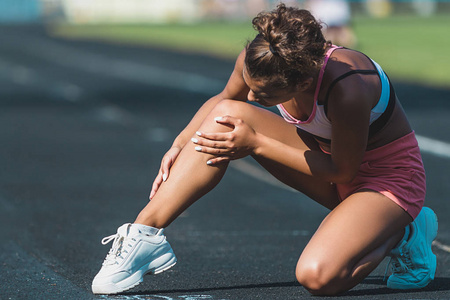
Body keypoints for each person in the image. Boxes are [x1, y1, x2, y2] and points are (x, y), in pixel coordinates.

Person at [91, 4, 438, 296]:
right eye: (253, 88)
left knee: (318, 277)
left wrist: (256, 142)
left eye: (266, 96)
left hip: (384, 182)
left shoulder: (349, 88)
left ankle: (403, 231)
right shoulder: (263, 55)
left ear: (302, 82)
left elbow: (342, 172)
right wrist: (180, 143)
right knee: (226, 118)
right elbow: (226, 101)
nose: (254, 100)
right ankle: (144, 234)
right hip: (328, 165)